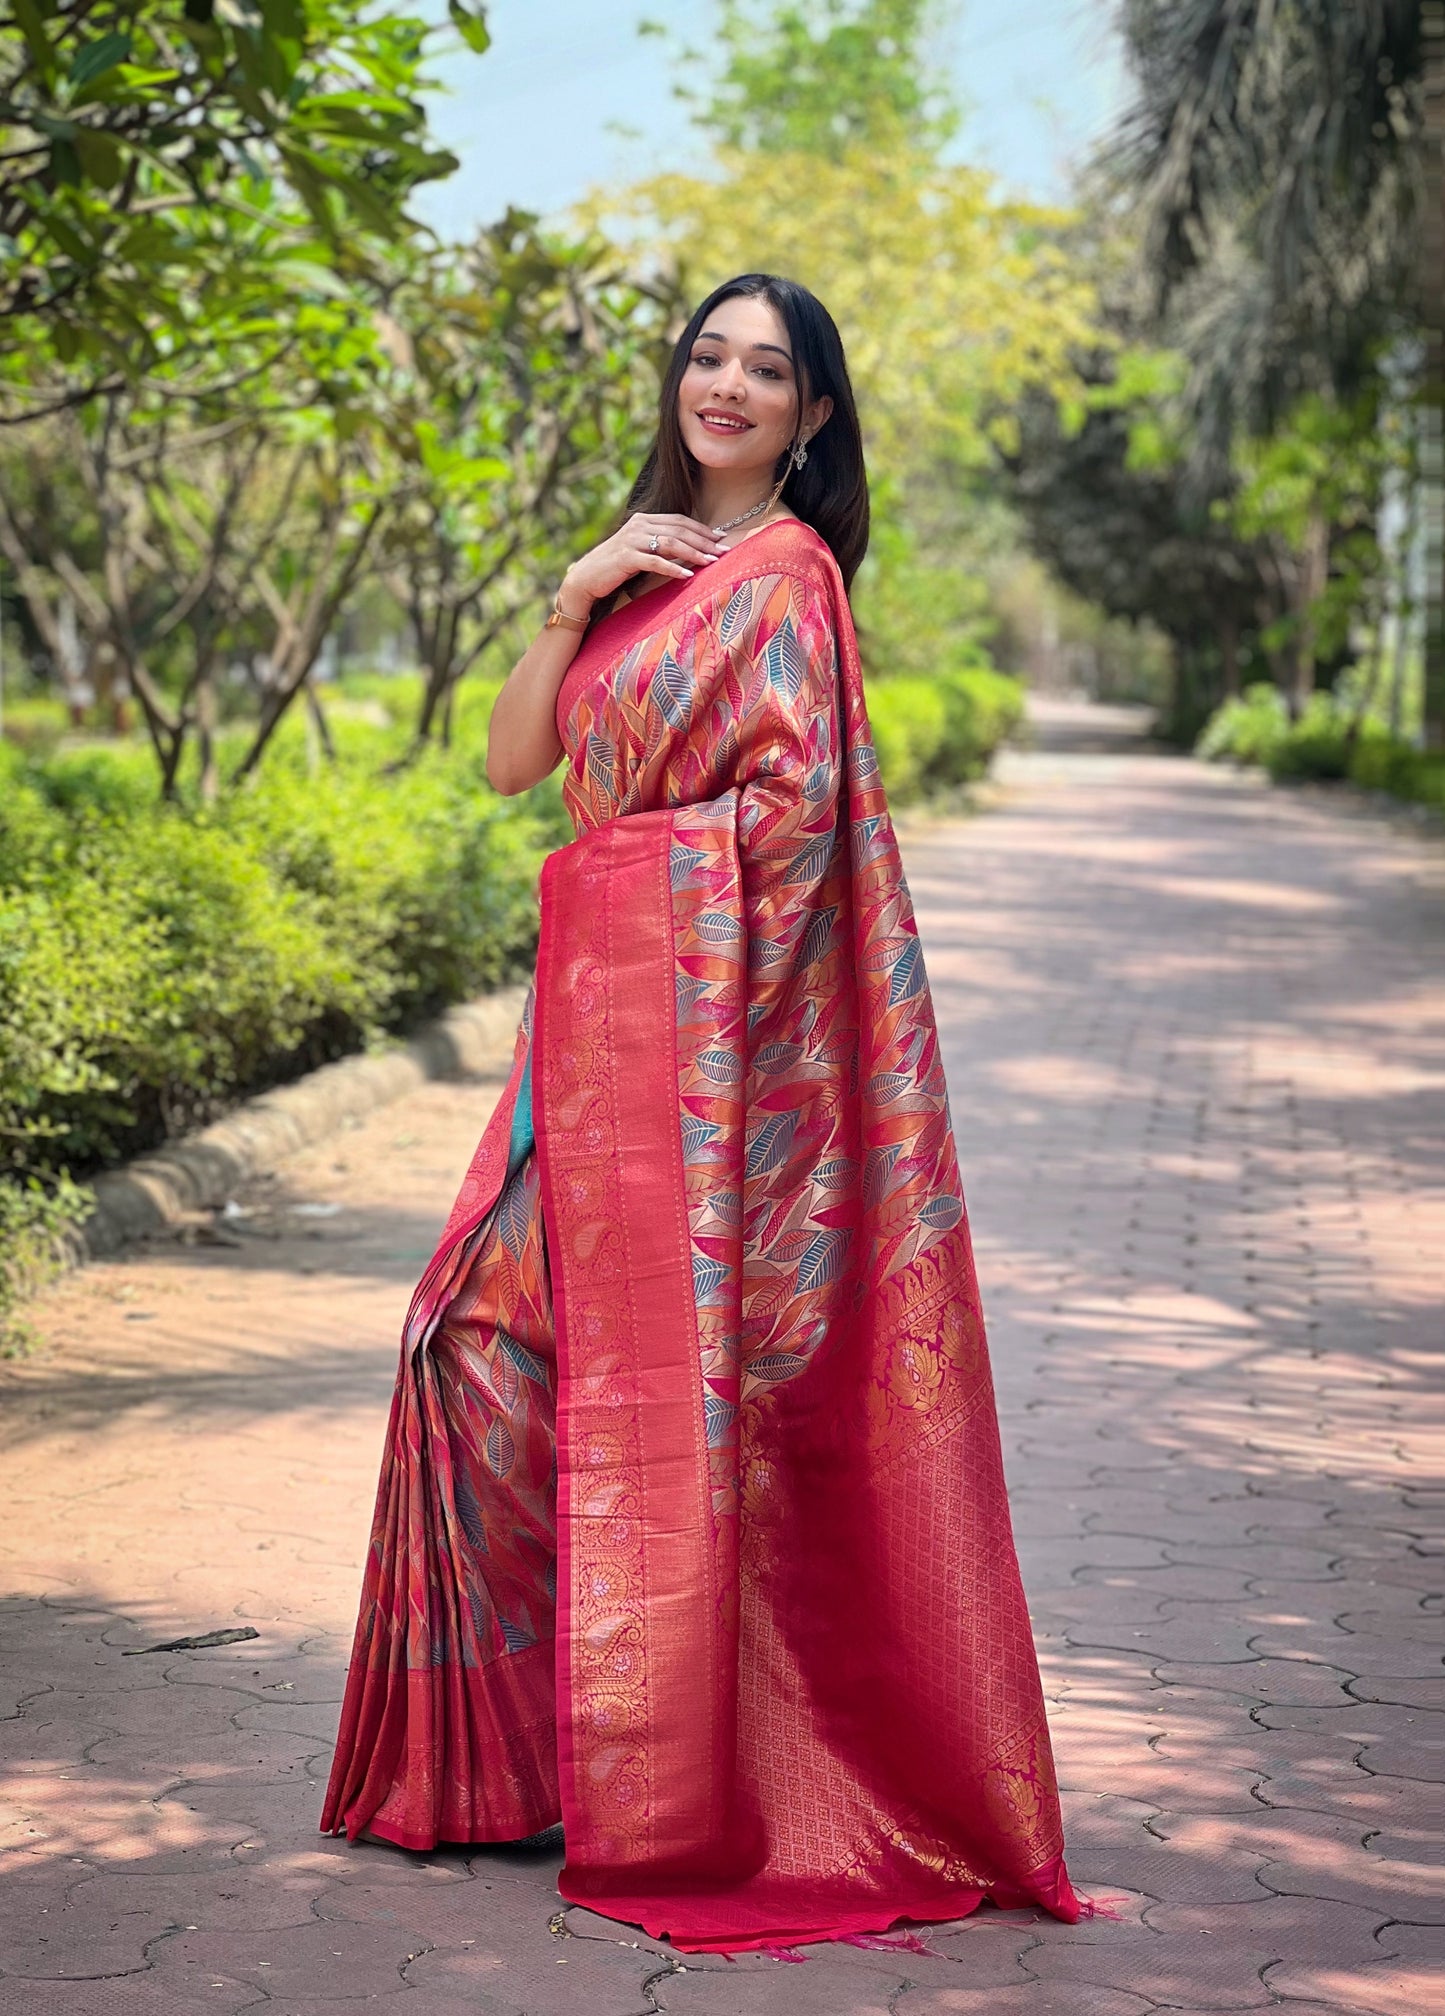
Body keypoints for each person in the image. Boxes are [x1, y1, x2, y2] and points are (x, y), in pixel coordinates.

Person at [322, 272, 1079, 1954]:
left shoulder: (789, 579)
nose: (726, 386)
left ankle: (639, 1781)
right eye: (707, 357)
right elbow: (517, 765)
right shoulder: (646, 567)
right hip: (589, 1046)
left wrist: (639, 886)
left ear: (813, 417)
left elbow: (793, 826)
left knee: (567, 1377)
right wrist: (568, 593)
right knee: (471, 1351)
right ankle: (519, 1764)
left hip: (689, 1053)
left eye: (769, 370)